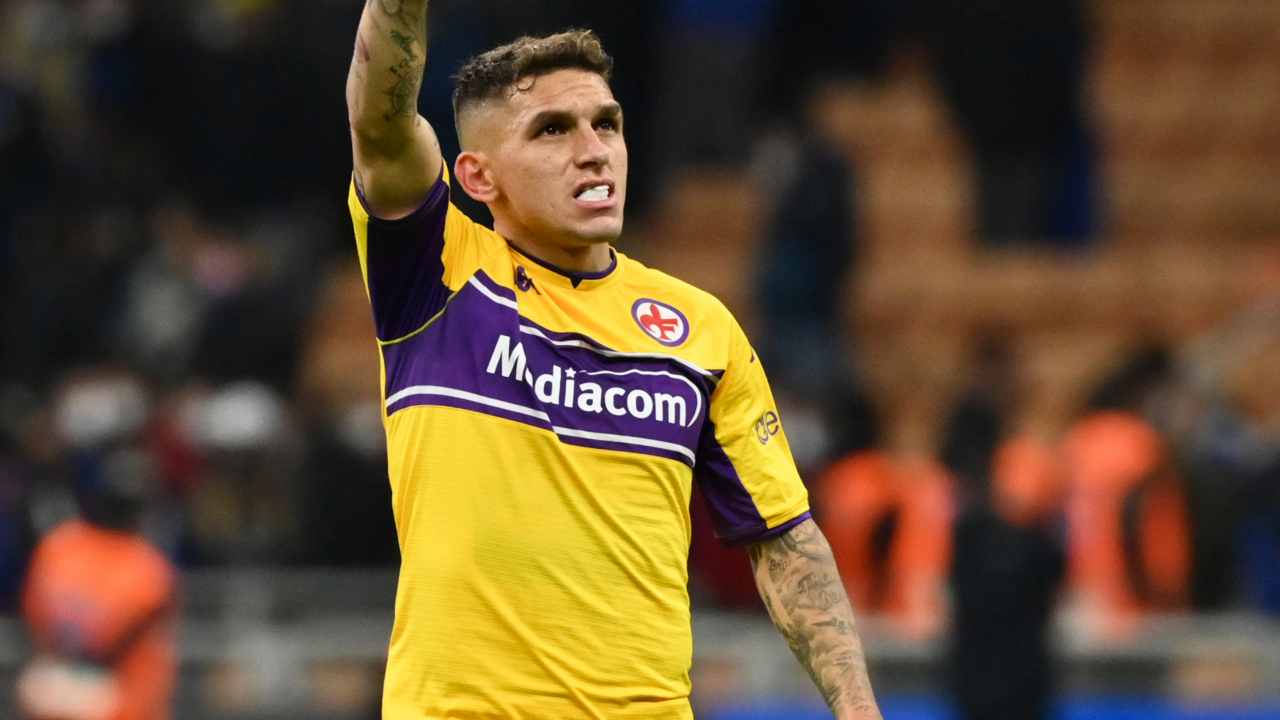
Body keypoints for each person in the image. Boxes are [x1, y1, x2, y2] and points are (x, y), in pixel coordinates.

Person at [344, 4, 881, 718]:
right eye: (552, 130)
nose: (593, 149)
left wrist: (858, 709)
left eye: (607, 123)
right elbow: (380, 125)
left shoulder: (699, 330)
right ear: (477, 177)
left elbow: (784, 541)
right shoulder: (438, 274)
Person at [18, 449, 178, 720]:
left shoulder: (59, 545)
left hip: (52, 691)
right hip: (118, 703)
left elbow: (34, 616)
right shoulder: (148, 568)